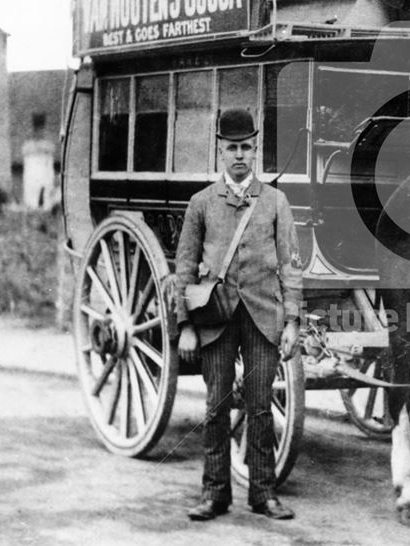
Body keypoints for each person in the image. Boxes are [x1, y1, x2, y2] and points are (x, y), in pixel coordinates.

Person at [173, 108, 303, 522]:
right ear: (220, 151)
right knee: (216, 406)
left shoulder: (276, 202)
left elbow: (290, 265)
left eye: (247, 147)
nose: (240, 156)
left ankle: (263, 493)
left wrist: (293, 320)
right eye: (232, 148)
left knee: (261, 406)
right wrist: (185, 326)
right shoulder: (201, 204)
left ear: (255, 149)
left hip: (264, 315)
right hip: (216, 317)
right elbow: (185, 268)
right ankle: (215, 494)